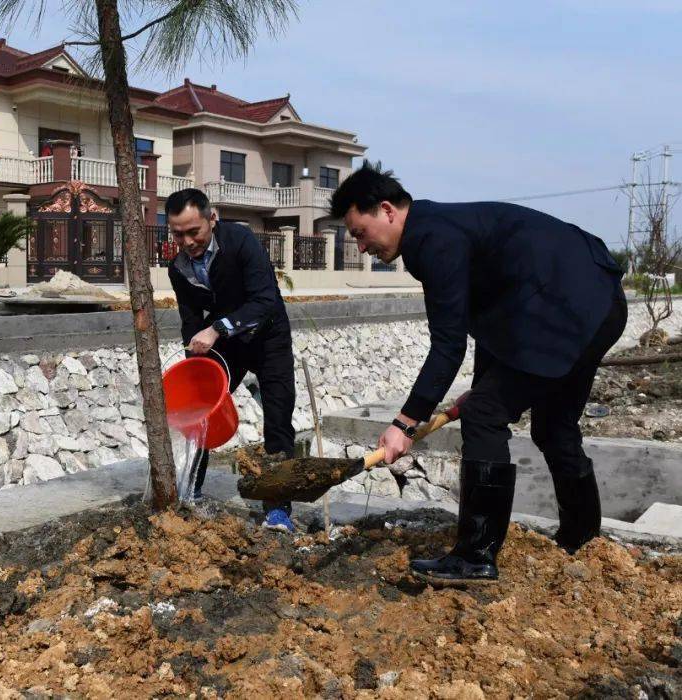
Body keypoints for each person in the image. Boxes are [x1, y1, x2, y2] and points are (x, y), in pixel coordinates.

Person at [329, 162, 626, 583]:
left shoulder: (431, 239)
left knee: (486, 414)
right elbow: (490, 315)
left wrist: (403, 423)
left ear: (387, 210)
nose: (361, 247)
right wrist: (484, 383)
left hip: (566, 308)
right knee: (553, 426)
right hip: (596, 303)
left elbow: (448, 345)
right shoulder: (442, 226)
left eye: (360, 233)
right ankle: (583, 539)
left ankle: (475, 555)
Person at [166, 188, 297, 532]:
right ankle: (190, 492)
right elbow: (191, 320)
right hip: (227, 343)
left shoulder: (241, 242)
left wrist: (219, 328)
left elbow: (265, 299)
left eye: (194, 231)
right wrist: (193, 362)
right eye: (178, 234)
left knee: (279, 421)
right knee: (197, 411)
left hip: (268, 337)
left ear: (212, 219)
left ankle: (278, 510)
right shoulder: (178, 268)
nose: (188, 241)